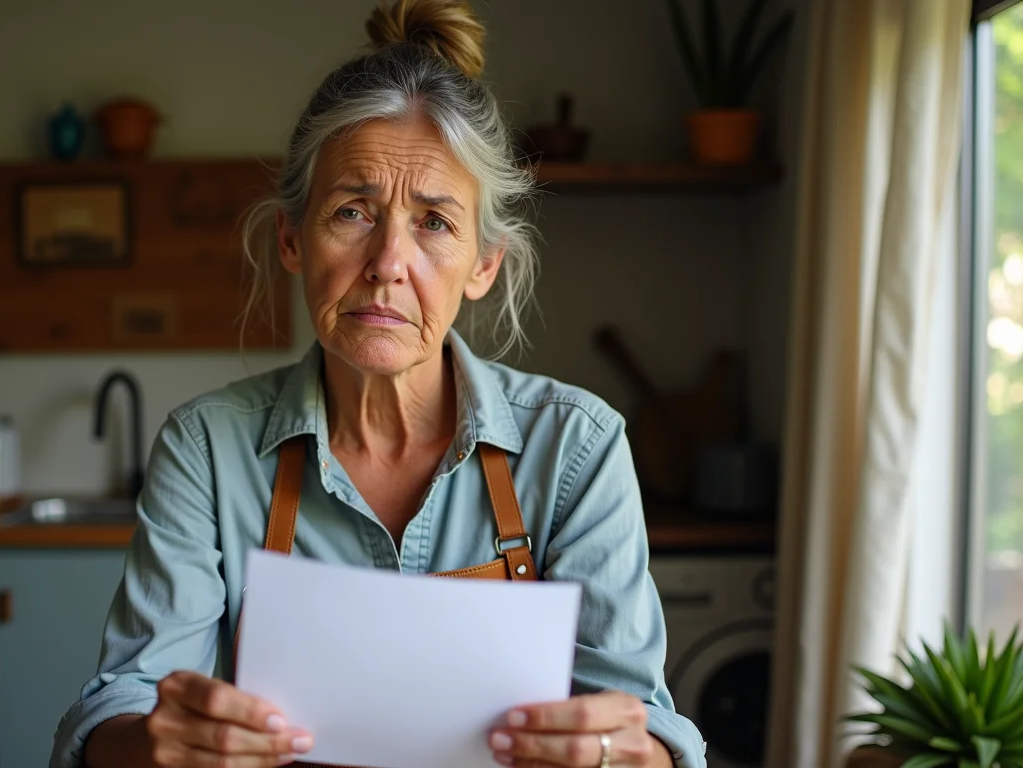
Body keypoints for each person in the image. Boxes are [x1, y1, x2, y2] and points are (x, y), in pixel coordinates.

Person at [50, 1, 706, 766]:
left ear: (483, 265)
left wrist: (614, 752)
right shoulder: (207, 447)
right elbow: (121, 701)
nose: (388, 262)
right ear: (293, 240)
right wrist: (148, 745)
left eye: (433, 222)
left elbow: (644, 725)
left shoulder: (578, 447)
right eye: (352, 211)